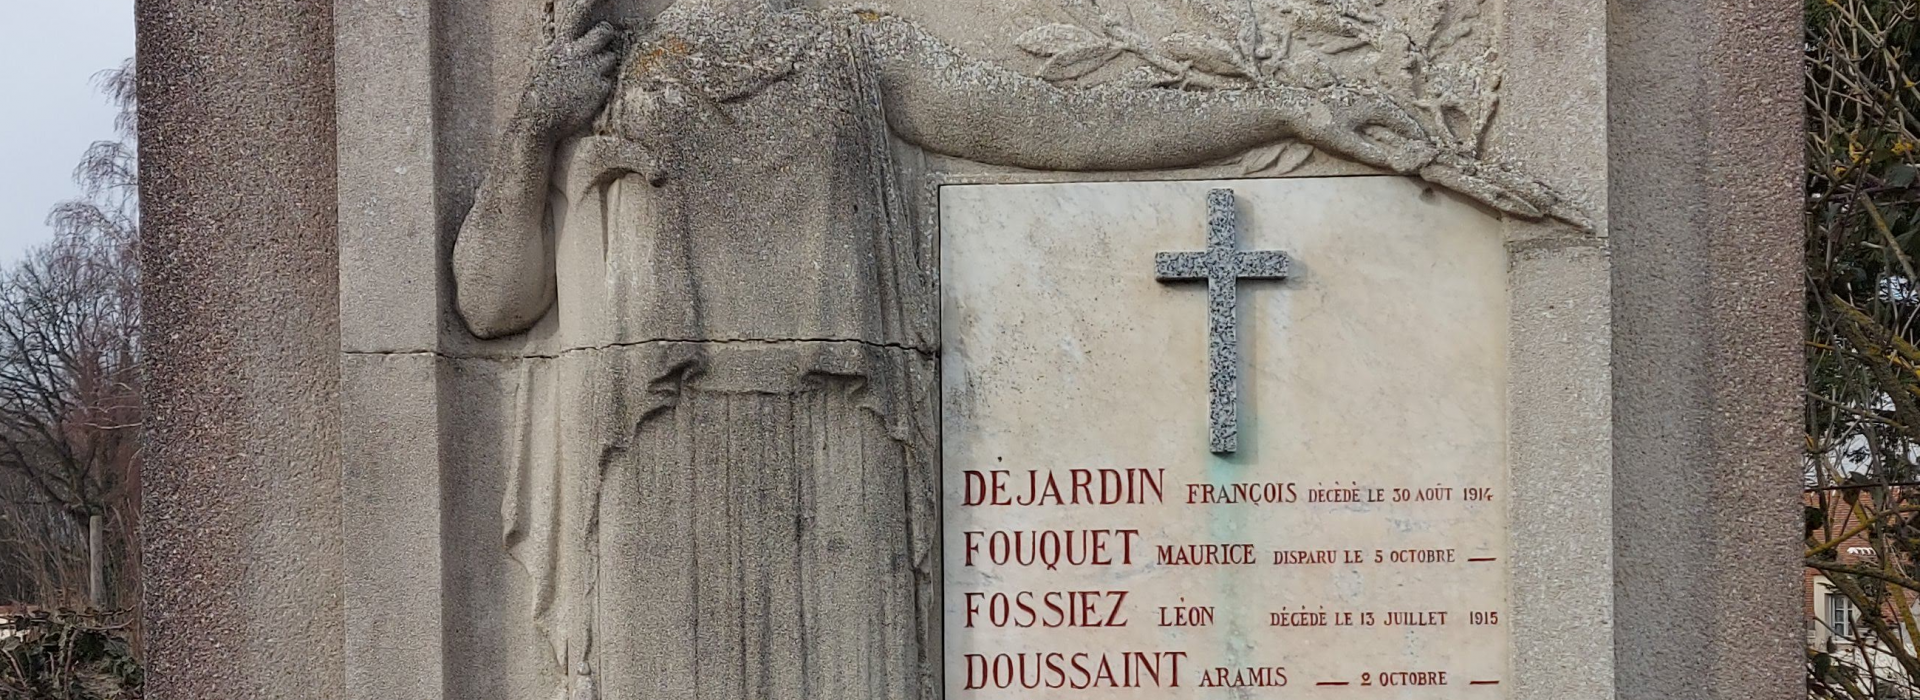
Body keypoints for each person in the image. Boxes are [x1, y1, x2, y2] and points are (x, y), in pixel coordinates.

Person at [451, 1, 1485, 698]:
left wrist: (1273, 105)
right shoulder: (609, 77)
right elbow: (494, 303)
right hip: (661, 457)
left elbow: (1064, 122)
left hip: (843, 440)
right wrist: (529, 134)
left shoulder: (858, 55)